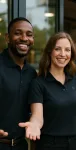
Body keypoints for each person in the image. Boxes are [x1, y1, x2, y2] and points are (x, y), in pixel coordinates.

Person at [19, 32, 76, 150]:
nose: (63, 54)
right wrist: (34, 125)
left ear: (71, 54)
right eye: (57, 49)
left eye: (67, 50)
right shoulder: (38, 83)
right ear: (50, 52)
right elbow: (37, 116)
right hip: (50, 145)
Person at [0, 17, 36, 150]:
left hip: (21, 145)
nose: (24, 38)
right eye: (18, 33)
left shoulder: (32, 73)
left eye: (29, 35)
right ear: (7, 38)